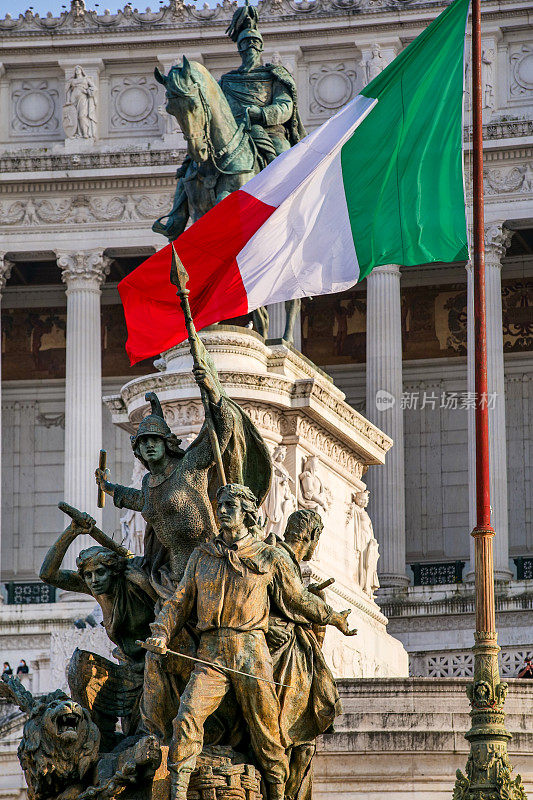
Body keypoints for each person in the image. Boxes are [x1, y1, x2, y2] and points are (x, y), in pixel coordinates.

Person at [144, 483, 356, 800]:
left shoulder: (269, 557)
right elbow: (179, 602)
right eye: (220, 505)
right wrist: (161, 631)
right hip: (211, 653)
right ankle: (178, 791)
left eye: (230, 505)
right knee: (186, 716)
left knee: (268, 733)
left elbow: (298, 600)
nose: (222, 510)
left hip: (251, 653)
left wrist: (332, 616)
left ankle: (278, 792)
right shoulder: (203, 556)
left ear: (247, 513)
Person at [39, 512, 156, 746]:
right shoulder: (97, 589)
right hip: (130, 669)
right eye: (88, 575)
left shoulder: (136, 582)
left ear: (114, 571)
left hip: (160, 663)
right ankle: (94, 740)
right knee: (80, 665)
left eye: (99, 573)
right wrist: (71, 532)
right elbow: (47, 574)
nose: (93, 580)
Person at [267, 510, 342, 800]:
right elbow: (293, 600)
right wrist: (333, 617)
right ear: (312, 538)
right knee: (295, 739)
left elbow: (294, 600)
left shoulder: (289, 562)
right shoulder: (279, 557)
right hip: (280, 653)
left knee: (305, 742)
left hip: (293, 653)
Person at [221, 4, 306, 164]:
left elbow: (285, 106)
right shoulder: (226, 81)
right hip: (234, 134)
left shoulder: (274, 76)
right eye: (246, 42)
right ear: (240, 48)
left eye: (255, 42)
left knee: (286, 162)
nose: (251, 46)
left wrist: (261, 114)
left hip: (271, 132)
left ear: (261, 47)